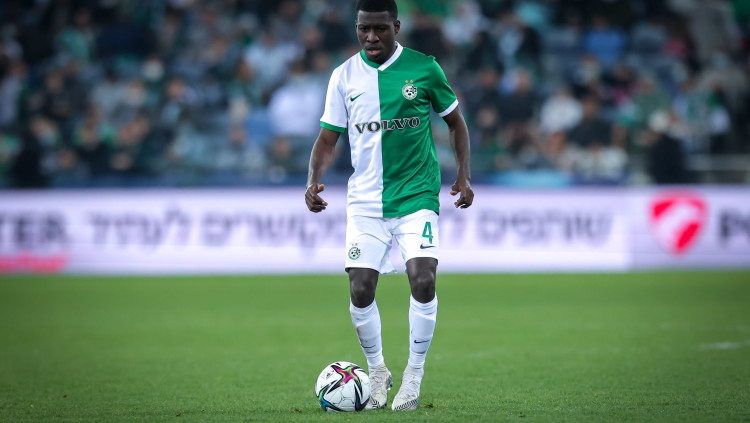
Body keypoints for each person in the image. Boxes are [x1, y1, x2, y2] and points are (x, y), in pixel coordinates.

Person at [304, 0, 473, 411]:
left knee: (423, 279)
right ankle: (378, 371)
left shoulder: (424, 69)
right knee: (360, 288)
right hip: (365, 201)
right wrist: (312, 180)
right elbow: (327, 138)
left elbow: (455, 122)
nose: (371, 36)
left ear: (396, 26)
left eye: (380, 28)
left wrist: (464, 175)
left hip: (416, 196)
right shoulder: (344, 76)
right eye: (364, 29)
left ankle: (413, 376)